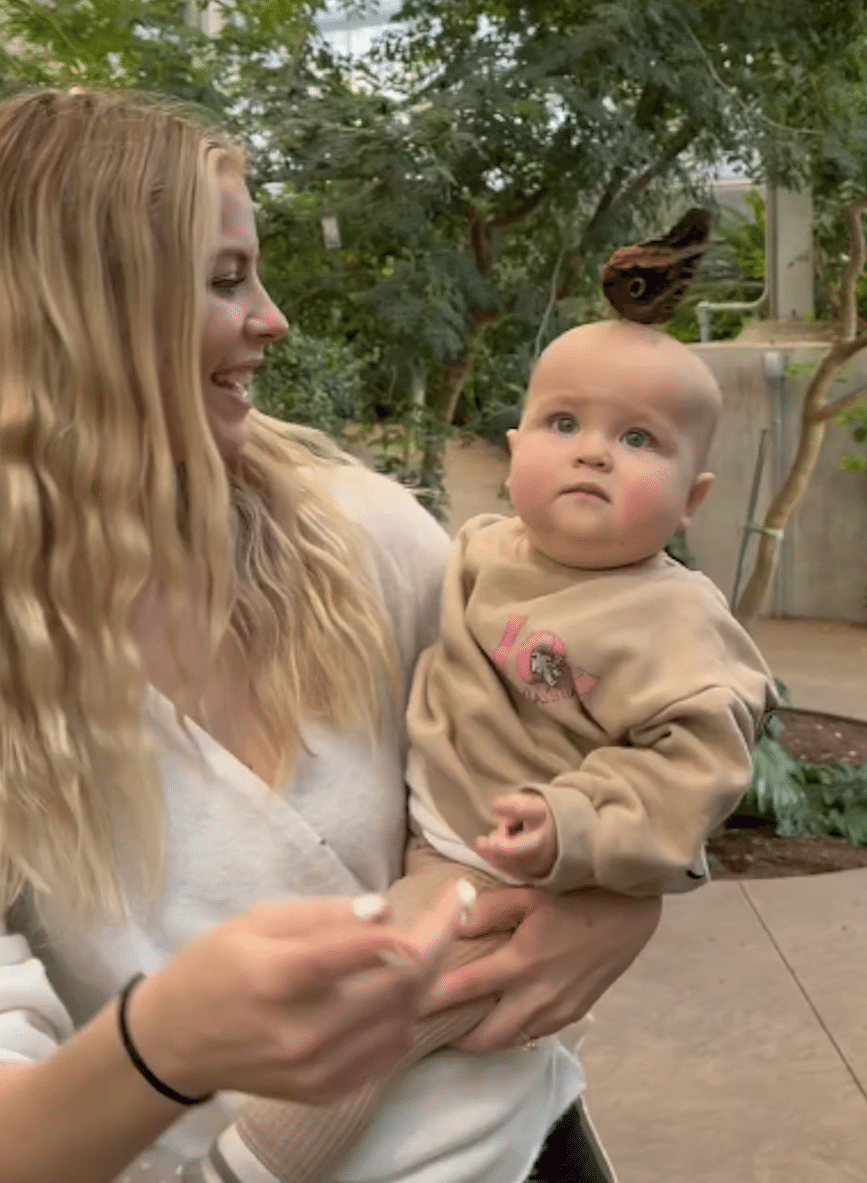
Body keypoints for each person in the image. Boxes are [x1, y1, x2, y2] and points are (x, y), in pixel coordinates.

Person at [0, 89, 663, 1183]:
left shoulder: (358, 534)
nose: (272, 318)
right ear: (78, 311)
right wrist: (162, 1044)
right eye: (222, 280)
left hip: (517, 1151)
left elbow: (591, 735)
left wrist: (618, 898)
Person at [195, 321, 778, 1183]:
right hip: (439, 848)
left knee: (373, 1015)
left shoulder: (678, 628)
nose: (594, 455)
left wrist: (573, 827)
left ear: (692, 499)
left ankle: (250, 1167)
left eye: (637, 438)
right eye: (564, 425)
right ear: (514, 451)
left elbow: (695, 770)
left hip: (514, 876)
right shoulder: (480, 554)